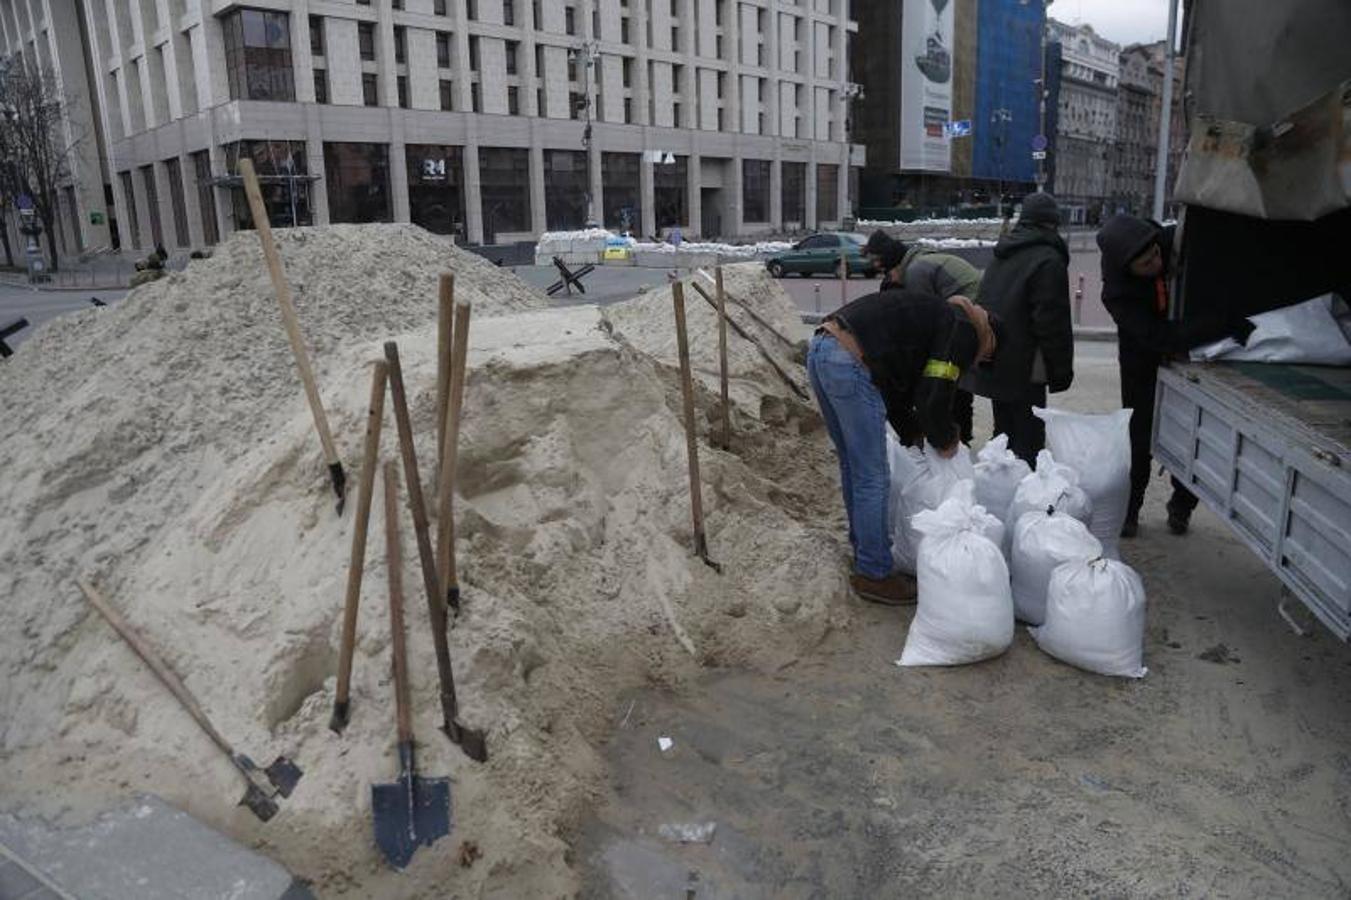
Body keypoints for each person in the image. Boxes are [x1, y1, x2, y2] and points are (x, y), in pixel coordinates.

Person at [807, 288, 1000, 605]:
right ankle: (874, 573)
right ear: (989, 337)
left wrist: (913, 435)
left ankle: (866, 553)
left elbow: (897, 391)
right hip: (848, 359)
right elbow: (934, 397)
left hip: (822, 348)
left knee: (854, 466)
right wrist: (946, 439)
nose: (978, 363)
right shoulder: (963, 331)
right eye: (985, 358)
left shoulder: (937, 317)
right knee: (872, 474)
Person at [1097, 214, 1254, 537]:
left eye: (1156, 254)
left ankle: (1181, 505)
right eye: (1145, 264)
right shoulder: (1117, 294)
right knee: (1140, 437)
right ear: (1127, 269)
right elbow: (1159, 336)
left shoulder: (1172, 242)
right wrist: (1218, 323)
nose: (1156, 263)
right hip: (1142, 362)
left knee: (1192, 435)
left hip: (1194, 357)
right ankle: (1131, 509)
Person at [963, 192, 1074, 464]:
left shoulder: (1004, 253)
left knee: (1004, 436)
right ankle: (1025, 500)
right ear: (1051, 224)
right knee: (1028, 442)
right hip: (1026, 366)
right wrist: (1060, 370)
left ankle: (1000, 496)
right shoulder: (1048, 259)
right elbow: (1051, 321)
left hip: (996, 359)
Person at [861, 229, 984, 442]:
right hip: (967, 311)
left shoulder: (916, 272)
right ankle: (957, 435)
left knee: (948, 374)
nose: (877, 269)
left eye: (882, 267)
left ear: (893, 264)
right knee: (951, 375)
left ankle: (958, 437)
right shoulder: (918, 260)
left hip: (970, 313)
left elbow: (925, 322)